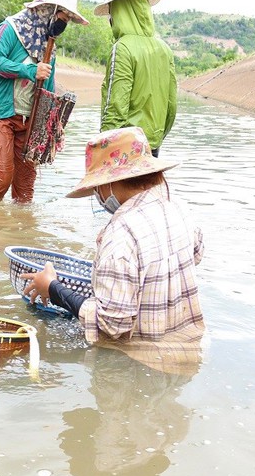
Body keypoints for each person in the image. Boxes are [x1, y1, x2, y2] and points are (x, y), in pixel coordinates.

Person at [22, 127, 205, 348]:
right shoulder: (178, 207)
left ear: (110, 182)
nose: (98, 195)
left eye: (98, 187)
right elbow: (196, 254)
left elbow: (111, 324)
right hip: (189, 348)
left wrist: (52, 288)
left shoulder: (120, 233)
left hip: (141, 359)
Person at [0, 0, 89, 203]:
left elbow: (47, 85)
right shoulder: (10, 28)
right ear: (47, 11)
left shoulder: (49, 44)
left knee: (26, 186)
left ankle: (22, 232)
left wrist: (52, 125)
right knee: (1, 178)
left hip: (28, 117)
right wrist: (28, 71)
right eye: (61, 18)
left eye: (66, 21)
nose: (62, 25)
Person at [93, 0, 176, 157]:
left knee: (121, 187)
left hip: (126, 147)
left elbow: (116, 107)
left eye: (112, 12)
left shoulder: (122, 48)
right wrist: (156, 139)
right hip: (153, 145)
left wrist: (103, 149)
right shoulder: (165, 50)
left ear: (119, 12)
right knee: (146, 186)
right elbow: (171, 106)